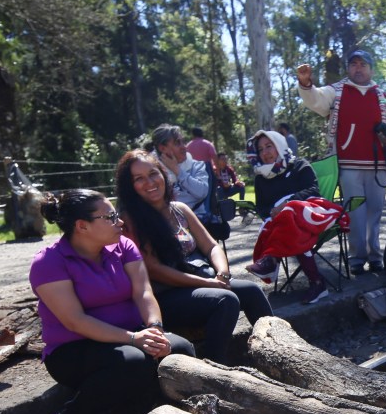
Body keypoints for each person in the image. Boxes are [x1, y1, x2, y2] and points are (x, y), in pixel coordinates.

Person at [29, 189, 196, 414]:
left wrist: (154, 329)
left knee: (179, 348)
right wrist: (133, 338)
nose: (120, 222)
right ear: (82, 226)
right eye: (110, 217)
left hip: (130, 336)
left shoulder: (124, 247)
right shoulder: (48, 263)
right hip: (72, 350)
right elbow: (75, 321)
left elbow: (143, 292)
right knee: (131, 361)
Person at [115, 150, 273, 362]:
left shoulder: (179, 209)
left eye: (153, 174)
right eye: (139, 179)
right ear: (129, 186)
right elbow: (154, 269)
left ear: (163, 175)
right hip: (165, 295)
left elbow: (211, 246)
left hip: (200, 282)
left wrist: (223, 274)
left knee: (252, 290)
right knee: (225, 300)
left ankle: (278, 349)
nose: (149, 182)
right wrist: (208, 283)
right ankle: (214, 368)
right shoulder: (131, 220)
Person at [297, 50, 386, 274]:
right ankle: (357, 258)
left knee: (375, 213)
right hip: (348, 164)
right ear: (348, 68)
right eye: (354, 63)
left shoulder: (382, 95)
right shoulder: (336, 91)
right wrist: (306, 83)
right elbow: (314, 99)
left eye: (363, 64)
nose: (358, 68)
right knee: (355, 214)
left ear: (371, 69)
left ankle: (375, 257)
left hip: (378, 165)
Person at [244, 130, 331, 305]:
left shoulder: (299, 165)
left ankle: (271, 258)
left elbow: (313, 191)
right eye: (260, 149)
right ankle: (317, 282)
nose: (265, 152)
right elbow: (262, 207)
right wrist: (273, 213)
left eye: (269, 146)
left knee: (290, 215)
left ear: (279, 145)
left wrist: (287, 204)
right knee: (289, 224)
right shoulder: (261, 177)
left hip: (312, 214)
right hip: (284, 224)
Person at [152, 124, 213, 222]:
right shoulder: (151, 171)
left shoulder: (196, 165)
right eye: (177, 143)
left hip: (198, 221)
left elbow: (202, 192)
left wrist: (178, 171)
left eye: (183, 142)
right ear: (162, 148)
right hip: (164, 225)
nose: (184, 147)